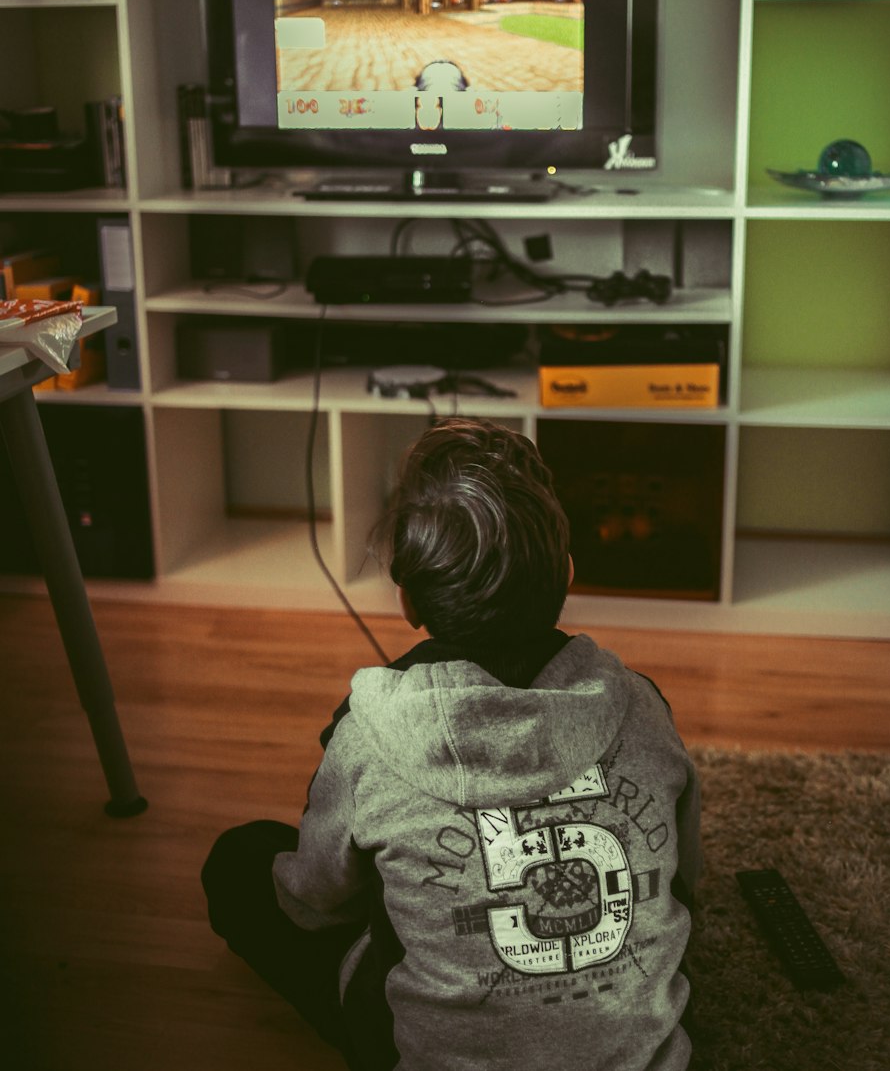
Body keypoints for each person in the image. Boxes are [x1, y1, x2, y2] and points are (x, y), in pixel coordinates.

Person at [202, 417, 701, 1070]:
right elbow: (684, 881)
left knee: (240, 860)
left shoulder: (370, 732)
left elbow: (316, 905)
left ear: (408, 599)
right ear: (569, 571)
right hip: (647, 1060)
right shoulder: (641, 705)